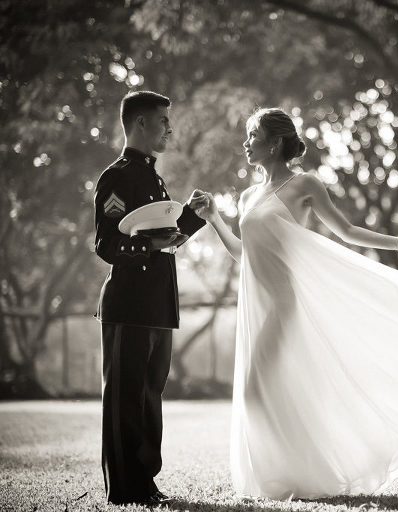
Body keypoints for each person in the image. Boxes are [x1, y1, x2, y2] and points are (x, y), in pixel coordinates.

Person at [195, 107, 398, 500]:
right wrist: (214, 219)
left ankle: (293, 476)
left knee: (256, 391)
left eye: (253, 136)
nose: (246, 143)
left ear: (274, 143)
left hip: (286, 305)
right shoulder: (248, 196)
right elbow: (244, 255)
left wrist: (397, 242)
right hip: (257, 305)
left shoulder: (304, 184)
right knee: (276, 392)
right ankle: (293, 478)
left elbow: (346, 230)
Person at [93, 90, 208, 505]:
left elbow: (165, 239)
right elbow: (107, 244)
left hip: (158, 302)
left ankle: (146, 482)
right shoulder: (117, 176)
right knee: (126, 397)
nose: (169, 129)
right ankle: (125, 488)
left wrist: (193, 218)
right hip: (128, 303)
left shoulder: (153, 177)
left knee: (149, 396)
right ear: (140, 123)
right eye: (163, 121)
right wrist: (149, 247)